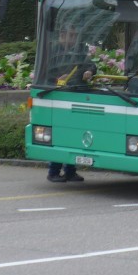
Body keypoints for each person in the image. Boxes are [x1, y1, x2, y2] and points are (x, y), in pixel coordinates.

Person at [44, 24, 93, 183]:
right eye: (70, 36)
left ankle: (70, 171)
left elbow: (90, 64)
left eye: (74, 36)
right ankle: (53, 171)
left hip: (77, 94)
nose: (72, 39)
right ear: (61, 36)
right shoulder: (53, 52)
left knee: (74, 136)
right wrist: (58, 78)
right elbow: (46, 72)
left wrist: (90, 71)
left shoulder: (80, 51)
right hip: (60, 96)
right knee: (61, 134)